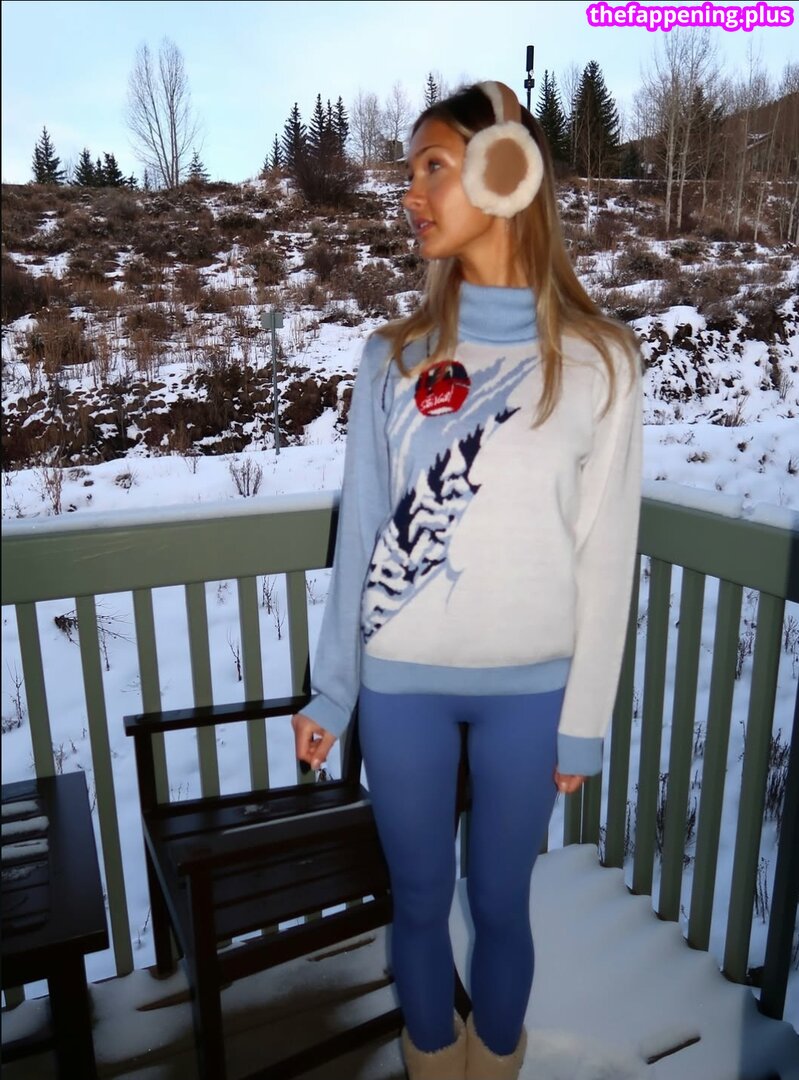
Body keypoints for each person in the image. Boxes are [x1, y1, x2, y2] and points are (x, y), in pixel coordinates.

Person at [292, 80, 642, 1080]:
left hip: (532, 697)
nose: (410, 194)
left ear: (504, 174)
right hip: (400, 688)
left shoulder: (601, 361)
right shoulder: (392, 358)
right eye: (408, 173)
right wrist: (333, 689)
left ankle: (496, 1063)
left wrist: (584, 720)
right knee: (415, 902)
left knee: (498, 904)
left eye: (433, 167)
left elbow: (605, 554)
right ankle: (430, 1061)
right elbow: (362, 534)